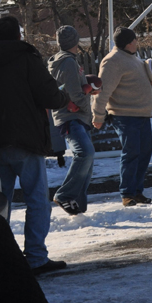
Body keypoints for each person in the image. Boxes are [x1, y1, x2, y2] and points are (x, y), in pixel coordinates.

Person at [0, 16, 70, 274]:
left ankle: (2, 262)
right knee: (36, 199)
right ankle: (35, 258)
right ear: (19, 36)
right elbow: (50, 96)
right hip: (26, 141)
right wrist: (64, 95)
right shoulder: (27, 59)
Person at [92, 27, 152, 207]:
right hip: (125, 116)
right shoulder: (112, 61)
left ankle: (137, 191)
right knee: (131, 153)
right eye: (135, 40)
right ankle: (127, 193)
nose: (137, 42)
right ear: (129, 42)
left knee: (144, 152)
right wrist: (98, 115)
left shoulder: (132, 57)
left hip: (142, 115)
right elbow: (102, 92)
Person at [48, 26, 98, 215]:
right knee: (85, 153)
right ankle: (65, 195)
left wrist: (88, 87)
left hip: (75, 116)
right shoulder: (68, 63)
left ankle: (78, 206)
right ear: (75, 41)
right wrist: (85, 105)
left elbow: (64, 87)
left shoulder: (63, 61)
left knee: (88, 159)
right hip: (72, 117)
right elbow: (74, 92)